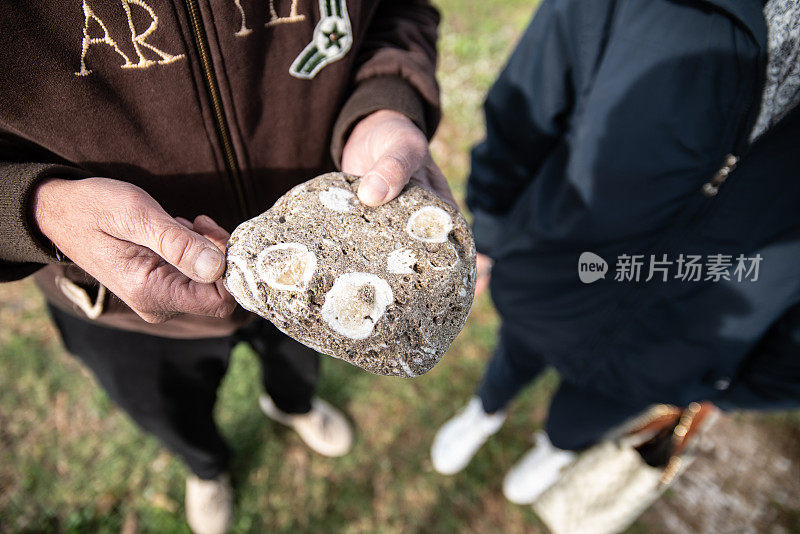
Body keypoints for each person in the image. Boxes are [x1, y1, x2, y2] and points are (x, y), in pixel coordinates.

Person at [0, 1, 451, 532]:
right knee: (172, 409)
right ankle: (205, 467)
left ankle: (293, 406)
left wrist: (384, 103)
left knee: (299, 368)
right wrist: (33, 209)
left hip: (315, 274)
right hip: (114, 294)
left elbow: (398, 12)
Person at [431, 0, 800, 506]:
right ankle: (484, 411)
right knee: (515, 354)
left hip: (679, 344)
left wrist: (733, 382)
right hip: (560, 268)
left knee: (585, 416)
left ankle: (555, 449)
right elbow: (529, 100)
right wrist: (490, 229)